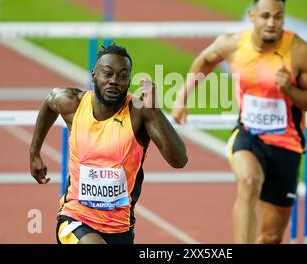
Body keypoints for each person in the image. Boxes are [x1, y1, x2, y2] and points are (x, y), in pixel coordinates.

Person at [172, 0, 307, 244]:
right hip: (248, 134)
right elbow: (205, 60)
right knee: (249, 181)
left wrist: (290, 90)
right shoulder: (233, 44)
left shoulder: (300, 52)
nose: (271, 23)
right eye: (265, 16)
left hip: (287, 145)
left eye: (278, 17)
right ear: (252, 15)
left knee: (271, 236)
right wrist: (182, 97)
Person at [29, 43, 188, 244]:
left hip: (120, 227)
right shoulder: (74, 104)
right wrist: (34, 153)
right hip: (76, 218)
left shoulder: (139, 114)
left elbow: (179, 160)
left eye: (122, 76)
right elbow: (50, 101)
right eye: (108, 74)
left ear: (129, 81)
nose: (114, 81)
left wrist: (155, 111)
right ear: (94, 75)